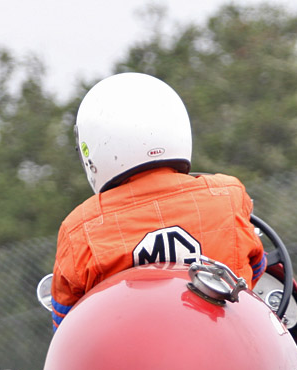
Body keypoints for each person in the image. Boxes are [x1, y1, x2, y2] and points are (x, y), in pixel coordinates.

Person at [50, 72, 266, 329]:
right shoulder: (227, 195)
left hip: (129, 365)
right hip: (229, 353)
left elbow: (65, 325)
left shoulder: (80, 229)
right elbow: (255, 269)